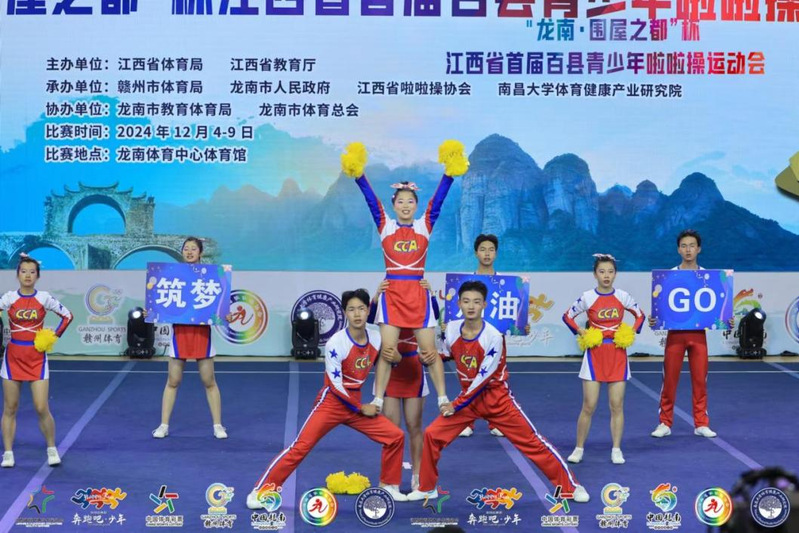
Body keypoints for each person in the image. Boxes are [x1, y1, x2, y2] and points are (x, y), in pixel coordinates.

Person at [406, 281, 589, 503]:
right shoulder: (452, 329)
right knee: (432, 435)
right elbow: (445, 354)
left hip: (496, 400)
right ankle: (427, 488)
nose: (471, 306)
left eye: (476, 302)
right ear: (459, 304)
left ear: (484, 305)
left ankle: (571, 487)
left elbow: (483, 379)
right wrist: (427, 357)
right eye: (466, 301)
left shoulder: (493, 336)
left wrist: (455, 404)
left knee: (533, 443)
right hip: (469, 402)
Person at [341, 141, 468, 424]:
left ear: (416, 205)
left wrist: (449, 174)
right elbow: (371, 201)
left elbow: (438, 201)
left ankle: (443, 398)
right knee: (388, 352)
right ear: (394, 205)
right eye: (401, 201)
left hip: (418, 295)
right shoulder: (385, 225)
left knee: (429, 352)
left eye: (411, 201)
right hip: (393, 295)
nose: (406, 205)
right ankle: (377, 398)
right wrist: (359, 175)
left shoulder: (424, 225)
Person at [247, 289, 407, 508]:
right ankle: (261, 492)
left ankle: (388, 485)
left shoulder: (376, 337)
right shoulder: (336, 343)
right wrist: (361, 408)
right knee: (300, 447)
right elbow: (336, 385)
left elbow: (385, 364)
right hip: (332, 402)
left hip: (356, 403)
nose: (357, 314)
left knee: (395, 436)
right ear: (345, 313)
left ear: (368, 310)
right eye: (351, 309)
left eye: (361, 309)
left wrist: (396, 362)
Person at [562, 254, 645, 465]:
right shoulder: (588, 297)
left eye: (610, 272)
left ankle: (616, 449)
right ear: (595, 274)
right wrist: (581, 331)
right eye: (602, 272)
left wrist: (631, 332)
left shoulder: (623, 296)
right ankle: (579, 448)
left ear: (615, 274)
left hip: (617, 354)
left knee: (616, 405)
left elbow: (640, 315)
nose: (606, 276)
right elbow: (567, 316)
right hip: (594, 356)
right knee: (589, 405)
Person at [649, 229, 727, 439]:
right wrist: (654, 318)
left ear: (699, 249)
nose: (688, 250)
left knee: (700, 380)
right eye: (684, 246)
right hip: (675, 335)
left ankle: (701, 423)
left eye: (692, 245)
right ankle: (664, 422)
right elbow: (661, 306)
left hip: (698, 335)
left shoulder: (709, 277)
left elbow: (717, 308)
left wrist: (725, 318)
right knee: (669, 381)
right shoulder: (668, 276)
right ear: (678, 250)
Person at [151, 237, 230, 440]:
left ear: (200, 252)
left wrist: (225, 314)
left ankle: (218, 425)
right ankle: (163, 425)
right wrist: (150, 310)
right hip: (180, 334)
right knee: (173, 380)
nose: (189, 252)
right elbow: (161, 301)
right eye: (186, 248)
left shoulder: (211, 275)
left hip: (202, 335)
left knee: (209, 381)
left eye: (193, 248)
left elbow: (219, 306)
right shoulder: (172, 276)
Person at [0, 254, 73, 468]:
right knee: (10, 407)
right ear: (17, 274)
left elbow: (67, 316)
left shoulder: (44, 298)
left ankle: (51, 448)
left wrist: (53, 337)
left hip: (37, 358)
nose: (28, 275)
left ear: (37, 276)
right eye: (24, 271)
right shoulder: (9, 298)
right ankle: (8, 453)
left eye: (32, 272)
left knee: (41, 407)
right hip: (13, 358)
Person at [370, 281, 430, 492]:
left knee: (414, 426)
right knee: (392, 431)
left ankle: (418, 476)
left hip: (413, 372)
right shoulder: (388, 294)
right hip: (390, 371)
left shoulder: (420, 296)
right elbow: (370, 317)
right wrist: (377, 295)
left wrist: (430, 294)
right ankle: (390, 480)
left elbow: (433, 316)